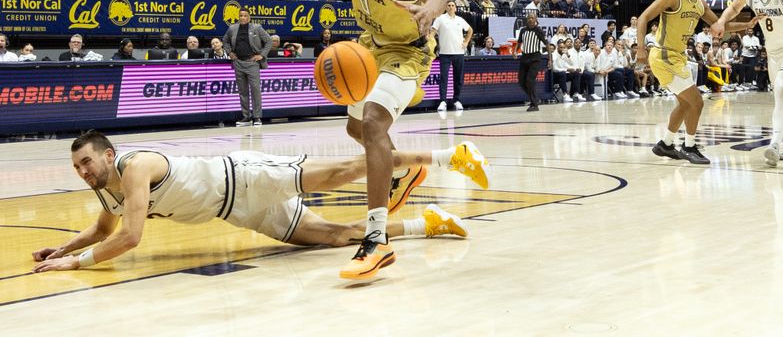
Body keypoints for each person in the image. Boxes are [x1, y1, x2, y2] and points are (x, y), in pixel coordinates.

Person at [31, 131, 486, 273]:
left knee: (341, 171)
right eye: (77, 168)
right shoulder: (105, 189)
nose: (83, 172)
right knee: (334, 238)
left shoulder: (134, 167)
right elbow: (102, 231)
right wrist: (61, 251)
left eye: (87, 162)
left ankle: (450, 155)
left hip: (244, 177)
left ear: (108, 155)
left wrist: (75, 265)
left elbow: (129, 237)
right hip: (239, 211)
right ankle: (428, 223)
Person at [339, 0, 485, 280]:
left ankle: (376, 240)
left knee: (372, 124)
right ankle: (413, 169)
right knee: (356, 131)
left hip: (406, 53)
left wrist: (428, 11)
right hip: (371, 49)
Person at [637, 0, 753, 165]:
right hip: (663, 55)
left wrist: (748, 24)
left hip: (678, 56)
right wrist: (640, 48)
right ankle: (689, 146)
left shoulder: (699, 3)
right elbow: (643, 18)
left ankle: (666, 144)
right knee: (696, 101)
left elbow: (720, 26)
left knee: (685, 103)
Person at [711, 0, 783, 167]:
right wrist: (722, 21)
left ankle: (775, 144)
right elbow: (734, 8)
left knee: (780, 89)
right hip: (773, 52)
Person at [223, 8, 272, 127]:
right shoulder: (232, 28)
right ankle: (246, 116)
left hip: (252, 63)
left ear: (249, 17)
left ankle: (257, 117)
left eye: (245, 16)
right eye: (241, 16)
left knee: (255, 90)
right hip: (238, 62)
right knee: (242, 92)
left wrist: (261, 55)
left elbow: (269, 41)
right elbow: (225, 41)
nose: (243, 18)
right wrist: (229, 52)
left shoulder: (256, 28)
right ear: (238, 17)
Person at [432, 0, 473, 112]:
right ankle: (443, 101)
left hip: (459, 53)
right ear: (446, 8)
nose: (451, 7)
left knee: (458, 78)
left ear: (455, 8)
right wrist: (430, 43)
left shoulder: (460, 20)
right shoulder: (440, 19)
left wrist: (466, 42)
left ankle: (457, 100)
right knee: (444, 78)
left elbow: (470, 30)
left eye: (452, 5)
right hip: (445, 53)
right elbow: (433, 32)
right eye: (449, 5)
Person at [514, 13, 548, 111]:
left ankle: (534, 104)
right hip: (525, 57)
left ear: (535, 19)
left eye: (532, 18)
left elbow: (547, 44)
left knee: (530, 80)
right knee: (521, 81)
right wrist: (515, 51)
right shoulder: (523, 30)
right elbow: (519, 42)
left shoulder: (539, 30)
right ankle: (535, 98)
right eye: (529, 17)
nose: (530, 19)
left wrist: (550, 59)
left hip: (535, 57)